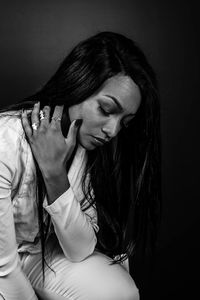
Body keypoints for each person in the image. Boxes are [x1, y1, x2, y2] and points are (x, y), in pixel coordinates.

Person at [0, 31, 161, 300]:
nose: (112, 130)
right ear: (77, 85)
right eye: (107, 110)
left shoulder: (84, 146)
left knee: (119, 292)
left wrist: (55, 174)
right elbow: (3, 267)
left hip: (33, 254)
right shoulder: (6, 139)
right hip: (3, 262)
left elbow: (80, 249)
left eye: (124, 122)